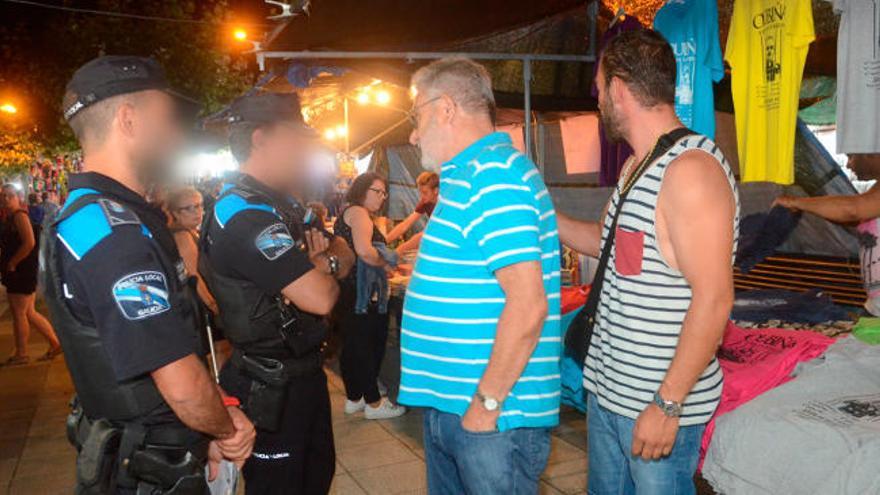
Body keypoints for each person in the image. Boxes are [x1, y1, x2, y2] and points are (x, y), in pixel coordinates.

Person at [45, 55, 255, 494]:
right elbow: (178, 383)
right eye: (166, 118)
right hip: (149, 471)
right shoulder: (115, 234)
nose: (176, 135)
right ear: (128, 119)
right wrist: (223, 427)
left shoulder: (86, 217)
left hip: (144, 455)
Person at [556, 30, 739, 494]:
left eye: (599, 89)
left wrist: (668, 405)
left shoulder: (690, 171)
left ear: (619, 89)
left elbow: (714, 299)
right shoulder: (637, 166)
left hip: (655, 406)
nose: (599, 101)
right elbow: (607, 244)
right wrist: (542, 213)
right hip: (609, 394)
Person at [398, 57, 561, 494]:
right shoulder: (470, 175)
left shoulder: (493, 176)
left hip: (491, 415)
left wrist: (486, 404)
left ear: (445, 108)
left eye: (417, 116)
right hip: (457, 406)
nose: (414, 134)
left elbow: (528, 304)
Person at [200, 91, 355, 494]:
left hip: (303, 374)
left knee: (316, 476)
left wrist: (323, 264)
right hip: (267, 385)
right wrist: (320, 268)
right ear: (261, 138)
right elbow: (321, 297)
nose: (306, 149)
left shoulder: (280, 203)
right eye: (296, 138)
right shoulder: (244, 214)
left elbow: (343, 249)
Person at [334, 172, 407, 419]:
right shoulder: (359, 213)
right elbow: (365, 252)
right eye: (377, 191)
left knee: (353, 345)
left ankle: (356, 397)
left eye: (384, 192)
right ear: (362, 190)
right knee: (368, 344)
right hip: (363, 292)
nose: (382, 197)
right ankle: (374, 403)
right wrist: (385, 265)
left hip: (349, 289)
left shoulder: (350, 212)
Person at [774, 154, 880, 316]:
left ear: (871, 154)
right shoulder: (877, 188)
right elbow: (854, 218)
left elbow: (852, 210)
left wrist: (796, 202)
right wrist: (809, 207)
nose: (849, 164)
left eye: (851, 156)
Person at [0, 185, 61, 365]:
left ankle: (21, 353)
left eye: (9, 196)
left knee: (19, 312)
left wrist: (12, 262)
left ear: (18, 197)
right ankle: (55, 343)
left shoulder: (20, 216)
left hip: (20, 271)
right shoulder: (12, 217)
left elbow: (29, 242)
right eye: (3, 196)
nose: (5, 199)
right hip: (21, 270)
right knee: (28, 312)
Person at [166, 187, 218, 315]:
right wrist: (214, 306)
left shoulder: (191, 230)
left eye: (199, 205)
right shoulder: (182, 236)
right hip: (202, 306)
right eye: (189, 208)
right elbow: (195, 277)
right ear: (175, 213)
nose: (197, 212)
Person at [385, 171, 439, 252]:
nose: (421, 196)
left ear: (436, 190)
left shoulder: (445, 203)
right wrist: (383, 241)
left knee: (422, 237)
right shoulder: (425, 202)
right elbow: (405, 224)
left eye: (424, 192)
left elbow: (428, 233)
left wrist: (396, 253)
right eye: (420, 192)